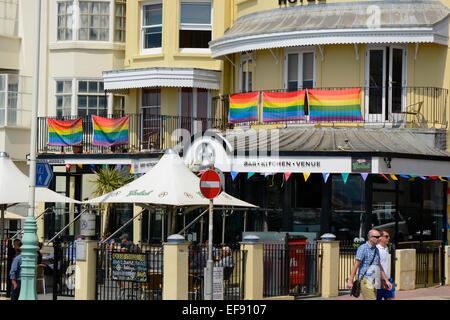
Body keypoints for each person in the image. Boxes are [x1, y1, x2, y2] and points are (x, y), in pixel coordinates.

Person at [347, 229, 392, 300]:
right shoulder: (363, 248)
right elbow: (356, 265)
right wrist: (350, 280)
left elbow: (379, 265)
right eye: (377, 237)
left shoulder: (376, 249)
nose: (379, 238)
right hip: (366, 279)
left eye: (379, 236)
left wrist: (386, 280)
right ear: (370, 238)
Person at [376, 230, 396, 300]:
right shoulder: (376, 249)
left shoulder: (387, 248)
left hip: (388, 279)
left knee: (389, 298)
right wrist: (382, 280)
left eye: (389, 236)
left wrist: (388, 280)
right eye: (386, 236)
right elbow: (377, 266)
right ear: (380, 238)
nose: (389, 238)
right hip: (379, 280)